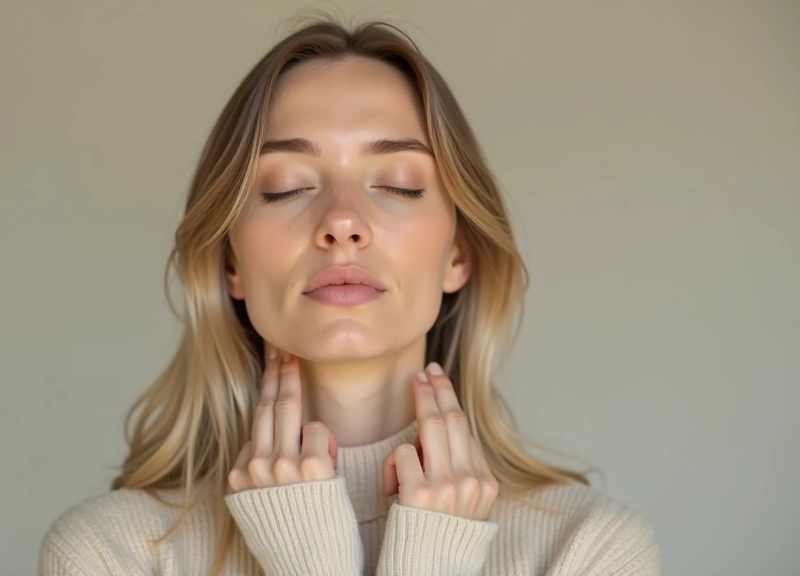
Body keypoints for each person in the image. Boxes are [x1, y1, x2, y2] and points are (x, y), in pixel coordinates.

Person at [39, 17, 658, 576]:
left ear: (459, 254)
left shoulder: (586, 551)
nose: (342, 221)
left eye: (396, 184)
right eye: (285, 187)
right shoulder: (109, 554)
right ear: (231, 262)